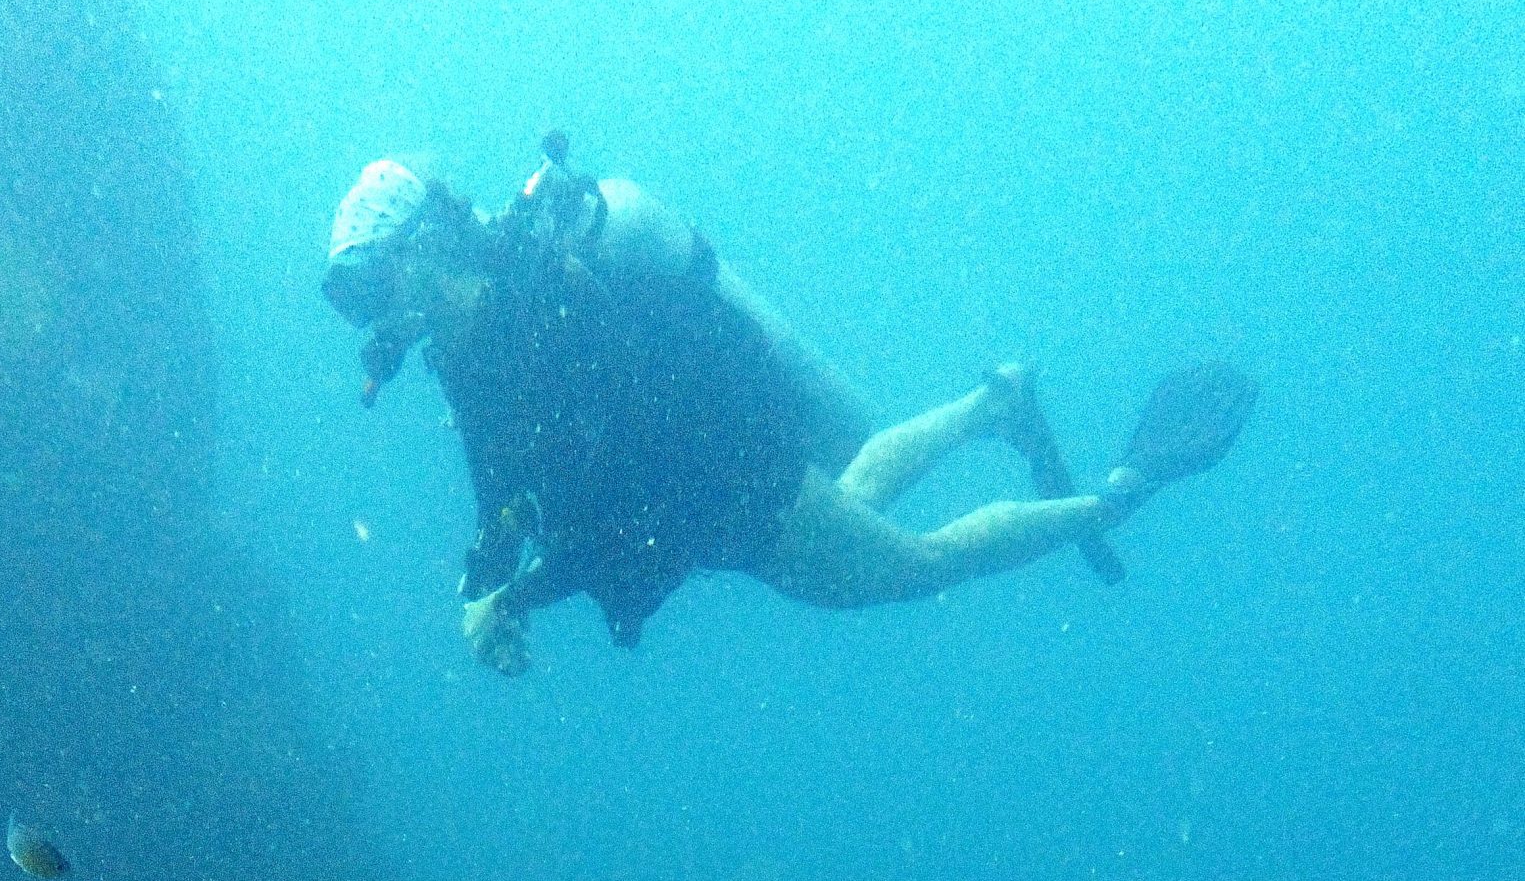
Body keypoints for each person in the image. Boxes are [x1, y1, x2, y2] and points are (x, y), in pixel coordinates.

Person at [323, 140, 1256, 674]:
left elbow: (615, 494)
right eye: (358, 299)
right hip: (721, 485)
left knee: (919, 567)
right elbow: (504, 476)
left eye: (378, 284)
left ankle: (1122, 490)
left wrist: (521, 595)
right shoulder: (468, 347)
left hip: (734, 485)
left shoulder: (539, 312)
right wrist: (488, 567)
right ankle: (993, 405)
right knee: (857, 495)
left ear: (430, 245)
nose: (378, 314)